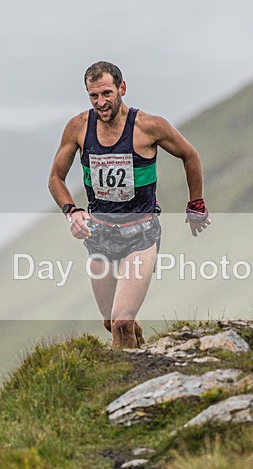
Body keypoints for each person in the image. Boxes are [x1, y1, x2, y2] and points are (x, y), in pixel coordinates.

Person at [48, 60, 210, 348]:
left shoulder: (149, 126)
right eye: (94, 96)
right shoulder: (78, 128)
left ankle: (127, 386)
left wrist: (195, 204)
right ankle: (140, 351)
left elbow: (190, 155)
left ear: (122, 88)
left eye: (107, 93)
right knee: (112, 323)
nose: (101, 102)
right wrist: (71, 212)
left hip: (141, 234)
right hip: (99, 236)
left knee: (121, 322)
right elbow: (55, 179)